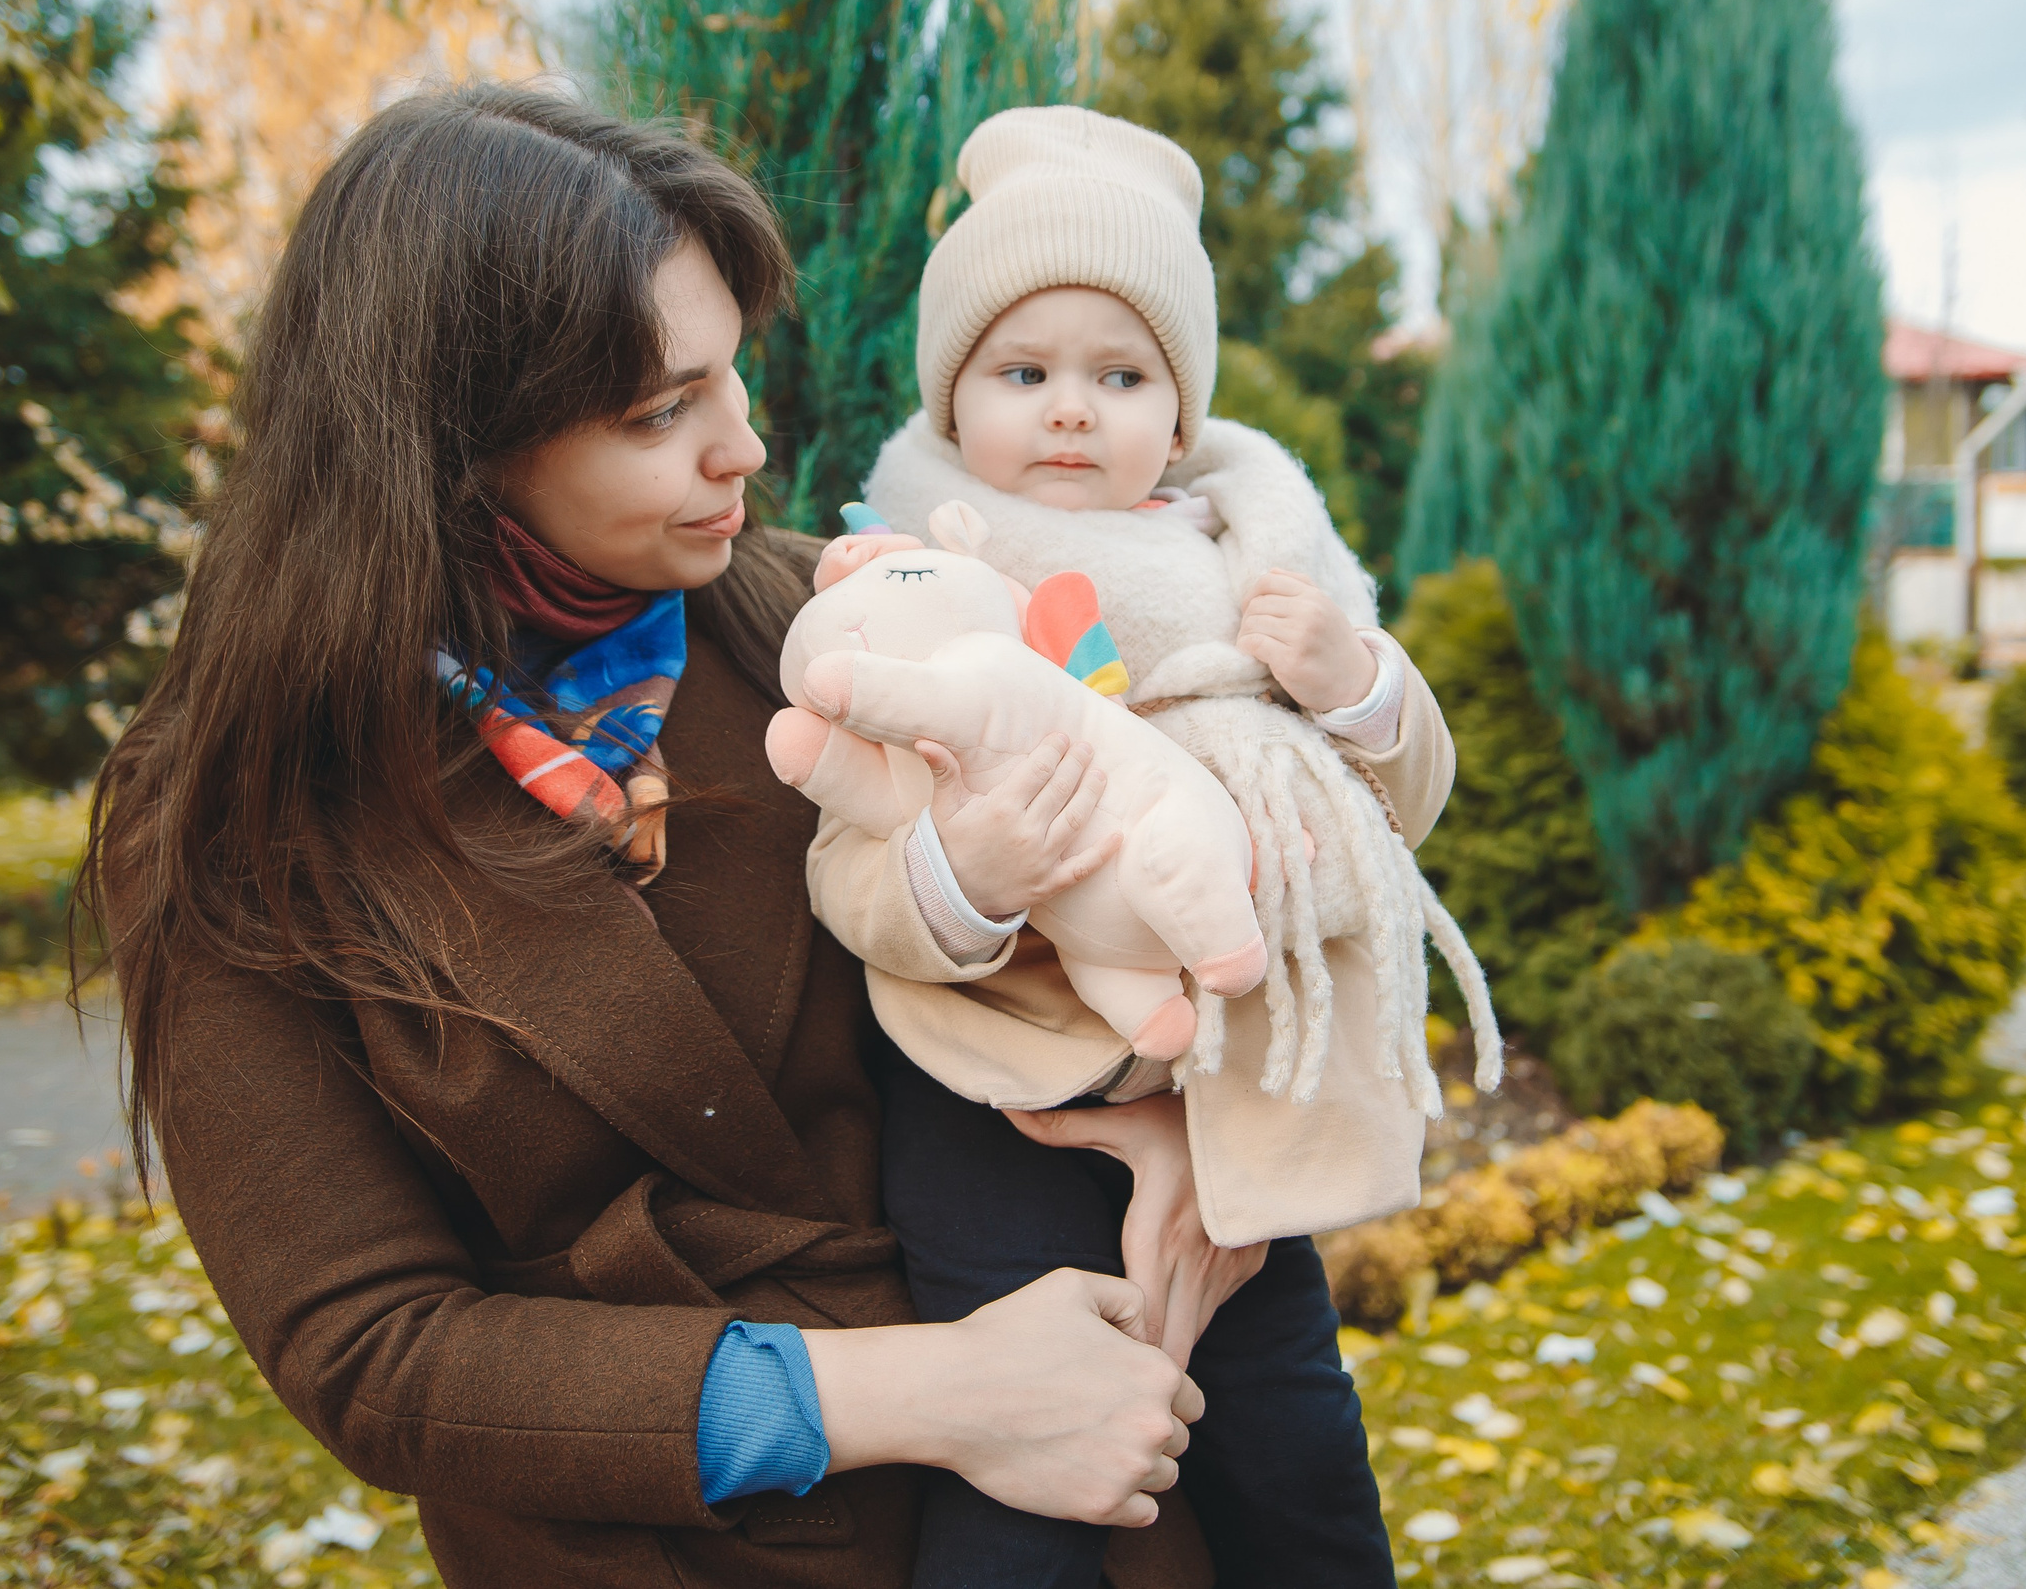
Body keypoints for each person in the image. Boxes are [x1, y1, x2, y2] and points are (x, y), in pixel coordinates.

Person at [79, 84, 1222, 1589]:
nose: (743, 448)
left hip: (1089, 1476)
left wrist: (1203, 1141)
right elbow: (373, 1353)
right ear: (452, 446)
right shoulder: (232, 816)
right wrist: (931, 1396)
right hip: (658, 1546)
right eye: (659, 411)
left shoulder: (853, 624)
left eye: (731, 377)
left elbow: (1195, 843)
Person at [801, 106, 1485, 1587]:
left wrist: (1354, 684)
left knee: (1294, 1445)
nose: (1068, 410)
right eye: (1022, 371)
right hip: (1000, 1107)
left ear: (1176, 421)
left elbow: (1400, 814)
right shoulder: (915, 590)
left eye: (1120, 377)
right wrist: (967, 882)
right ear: (949, 405)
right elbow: (850, 862)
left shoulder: (1263, 575)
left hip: (1235, 1102)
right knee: (1031, 1483)